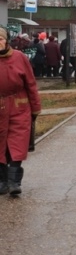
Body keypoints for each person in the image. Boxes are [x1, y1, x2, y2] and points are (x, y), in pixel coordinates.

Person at [0, 26, 42, 197]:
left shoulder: (19, 57)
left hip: (19, 105)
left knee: (18, 143)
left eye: (0, 39)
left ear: (6, 40)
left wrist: (35, 107)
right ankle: (2, 181)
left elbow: (31, 84)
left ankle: (14, 182)